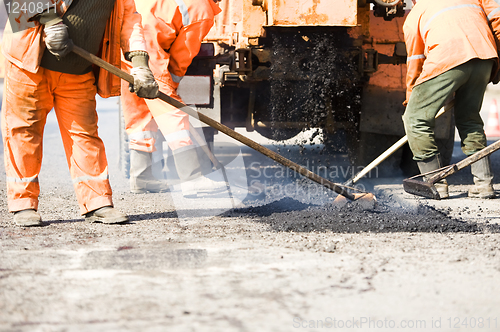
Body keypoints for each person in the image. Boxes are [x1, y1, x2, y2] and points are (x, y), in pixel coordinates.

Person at [1, 0, 159, 226]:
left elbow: (129, 20)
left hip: (77, 68)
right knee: (24, 131)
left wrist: (140, 62)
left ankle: (98, 202)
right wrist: (50, 20)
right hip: (28, 63)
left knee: (85, 135)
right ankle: (23, 204)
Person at [120, 0, 223, 197]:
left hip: (127, 44)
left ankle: (141, 177)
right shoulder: (202, 9)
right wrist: (170, 87)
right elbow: (181, 56)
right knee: (173, 115)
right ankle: (192, 178)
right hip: (148, 51)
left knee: (140, 112)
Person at [402, 0, 500, 199]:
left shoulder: (415, 15)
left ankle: (435, 182)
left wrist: (412, 98)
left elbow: (415, 61)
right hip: (484, 59)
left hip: (448, 58)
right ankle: (484, 184)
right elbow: (497, 21)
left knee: (415, 119)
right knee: (469, 118)